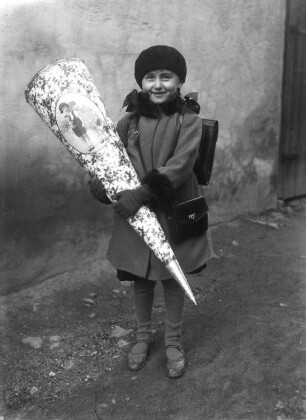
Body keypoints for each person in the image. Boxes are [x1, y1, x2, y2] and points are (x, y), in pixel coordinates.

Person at [89, 45, 213, 378]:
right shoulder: (127, 120)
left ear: (179, 81)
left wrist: (142, 192)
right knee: (141, 279)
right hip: (135, 218)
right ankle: (143, 336)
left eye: (166, 76)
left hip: (171, 213)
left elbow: (181, 165)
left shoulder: (189, 120)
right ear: (141, 81)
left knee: (173, 277)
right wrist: (102, 184)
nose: (157, 84)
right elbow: (108, 160)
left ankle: (173, 340)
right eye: (150, 77)